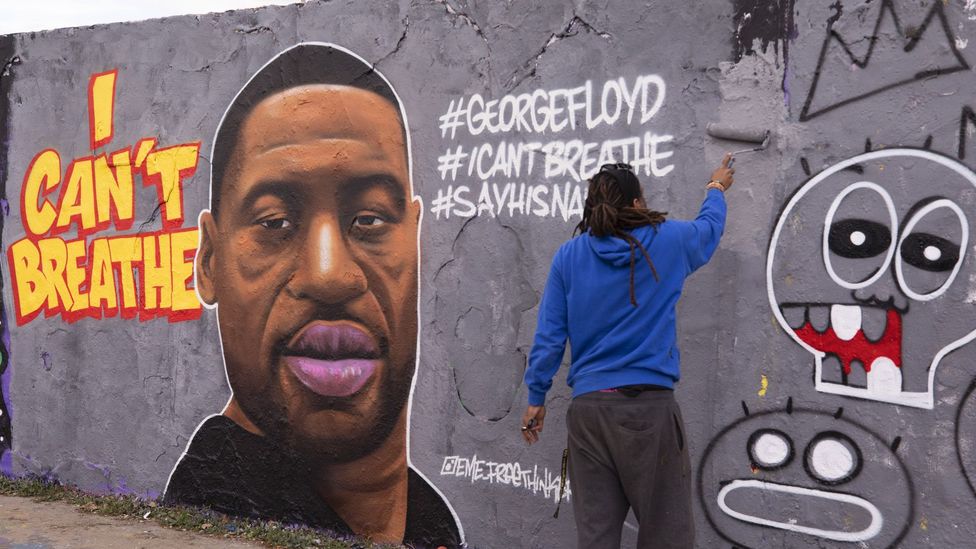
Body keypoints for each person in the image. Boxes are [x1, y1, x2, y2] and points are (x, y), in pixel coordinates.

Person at [164, 43, 462, 549]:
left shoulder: (430, 521)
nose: (330, 276)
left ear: (416, 243)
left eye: (369, 219)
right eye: (274, 223)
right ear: (209, 263)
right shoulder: (214, 514)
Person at [521, 156, 734, 548]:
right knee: (665, 535)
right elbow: (708, 230)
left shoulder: (569, 256)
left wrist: (537, 398)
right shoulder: (668, 240)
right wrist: (716, 190)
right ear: (637, 203)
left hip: (588, 415)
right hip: (648, 412)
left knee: (597, 537)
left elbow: (550, 336)